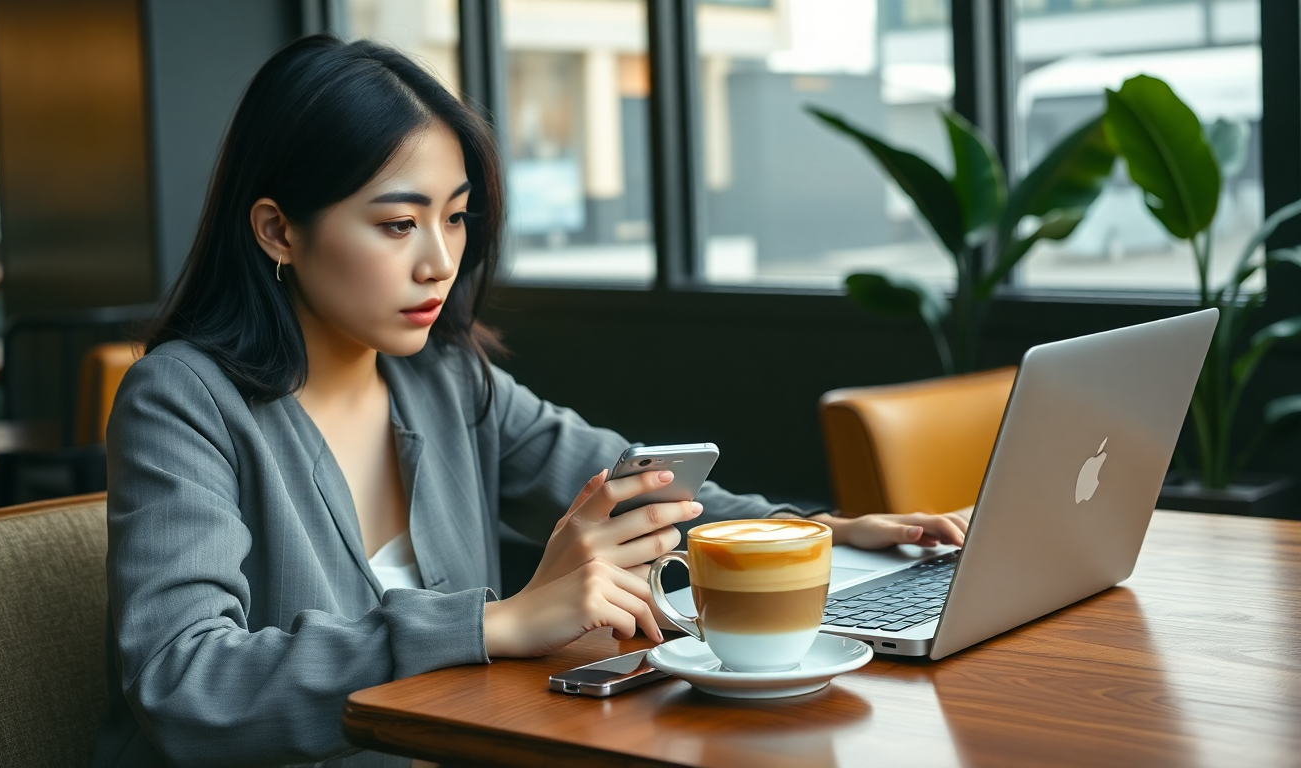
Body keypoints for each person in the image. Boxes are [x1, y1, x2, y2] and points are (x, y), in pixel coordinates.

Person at [93, 35, 972, 767]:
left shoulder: (442, 378)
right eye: (398, 224)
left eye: (457, 216)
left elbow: (639, 491)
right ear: (279, 229)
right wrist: (495, 624)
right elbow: (183, 683)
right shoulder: (185, 400)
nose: (439, 260)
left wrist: (816, 529)